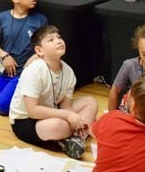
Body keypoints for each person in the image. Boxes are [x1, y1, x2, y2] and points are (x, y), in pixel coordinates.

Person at [8, 25, 97, 159]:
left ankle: (74, 138)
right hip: (26, 121)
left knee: (90, 102)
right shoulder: (34, 70)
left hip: (52, 111)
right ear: (39, 50)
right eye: (51, 40)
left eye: (59, 37)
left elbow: (66, 106)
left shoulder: (68, 71)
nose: (58, 41)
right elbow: (33, 111)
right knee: (57, 125)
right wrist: (70, 116)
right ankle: (73, 135)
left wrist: (74, 118)